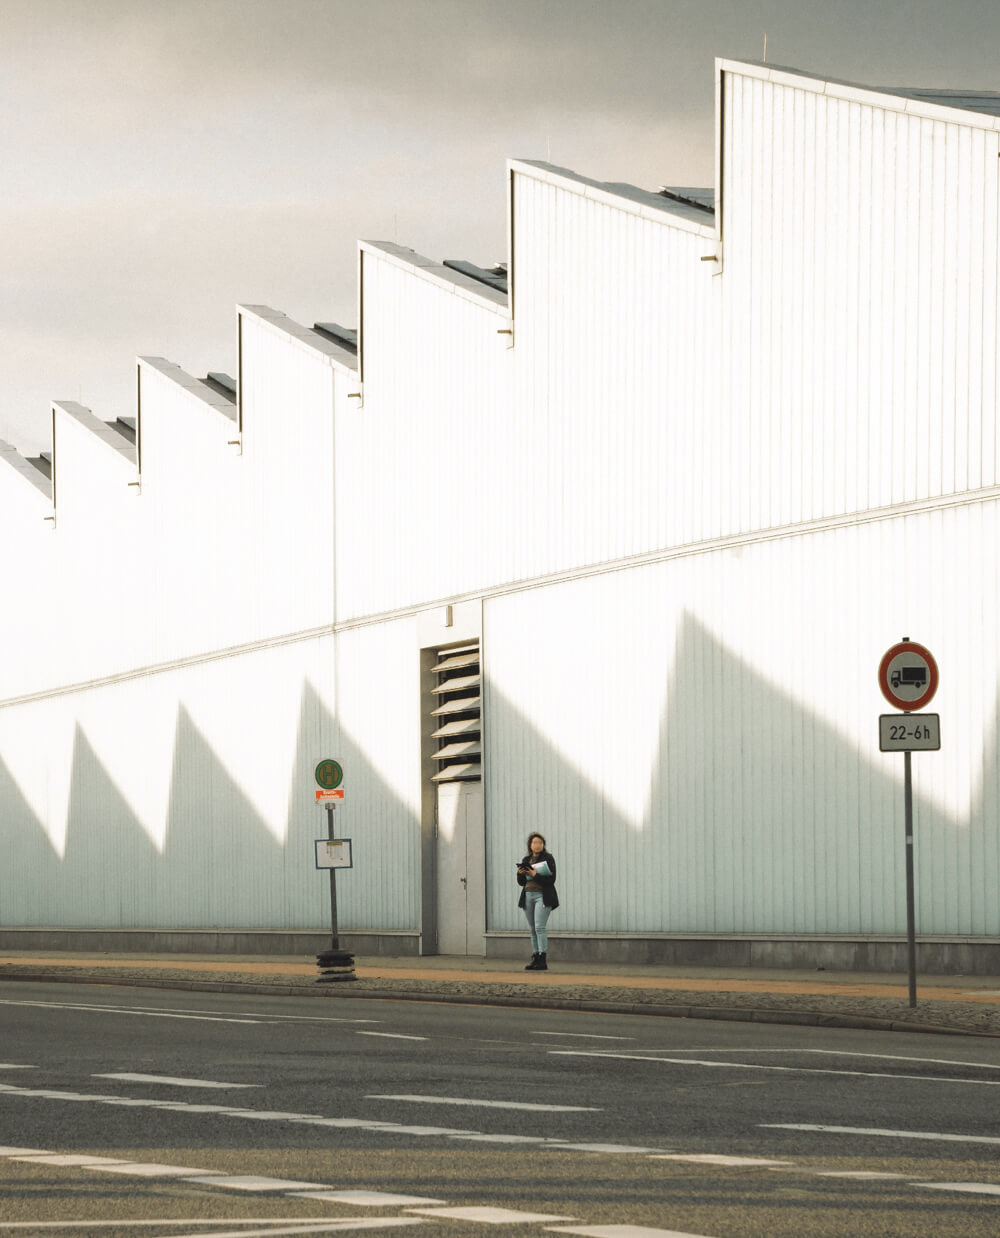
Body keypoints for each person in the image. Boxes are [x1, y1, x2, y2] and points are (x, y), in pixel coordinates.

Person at [516, 832, 559, 970]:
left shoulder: (548, 858)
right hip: (528, 895)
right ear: (530, 845)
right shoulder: (526, 859)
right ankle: (535, 957)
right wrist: (520, 873)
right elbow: (521, 883)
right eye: (534, 843)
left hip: (543, 896)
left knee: (540, 927)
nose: (537, 845)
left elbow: (551, 880)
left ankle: (542, 958)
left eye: (540, 843)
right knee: (532, 929)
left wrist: (535, 874)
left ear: (543, 845)